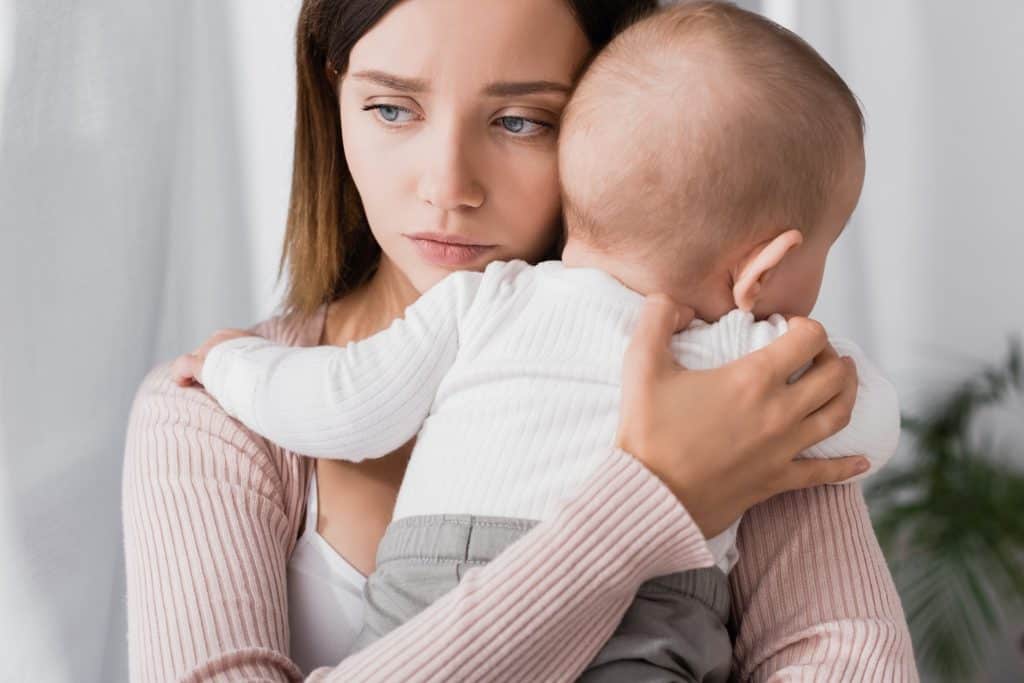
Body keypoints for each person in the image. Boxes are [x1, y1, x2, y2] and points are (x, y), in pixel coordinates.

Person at [122, 0, 917, 680]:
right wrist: (650, 501)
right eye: (391, 108)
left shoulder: (740, 394)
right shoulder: (211, 415)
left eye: (520, 120)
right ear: (333, 94)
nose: (447, 187)